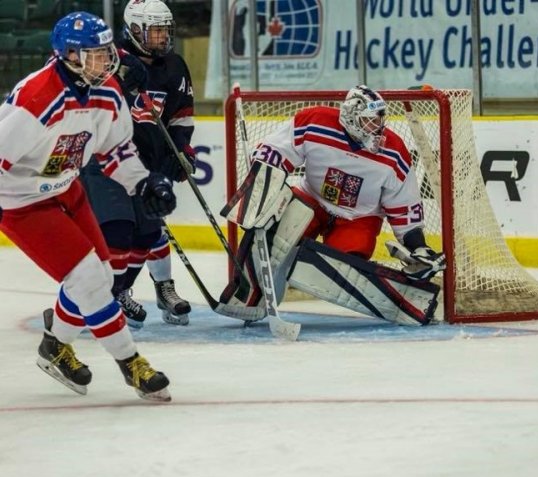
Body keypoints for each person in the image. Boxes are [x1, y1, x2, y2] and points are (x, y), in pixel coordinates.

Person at [0, 11, 176, 402]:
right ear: (70, 56)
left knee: (104, 270)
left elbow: (116, 149)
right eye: (95, 53)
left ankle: (54, 346)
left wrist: (142, 181)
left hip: (66, 186)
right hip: (22, 202)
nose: (107, 59)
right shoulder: (36, 100)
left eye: (106, 51)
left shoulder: (107, 91)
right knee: (88, 280)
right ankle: (132, 364)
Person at [219, 85, 446, 326]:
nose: (378, 128)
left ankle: (407, 304)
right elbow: (273, 152)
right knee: (274, 235)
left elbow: (404, 207)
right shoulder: (314, 121)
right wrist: (262, 188)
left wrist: (419, 247)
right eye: (370, 121)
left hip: (359, 218)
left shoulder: (395, 151)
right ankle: (247, 297)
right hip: (312, 202)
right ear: (351, 117)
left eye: (380, 120)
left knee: (343, 270)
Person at [81, 0, 195, 328]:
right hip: (108, 162)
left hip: (152, 165)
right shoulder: (110, 61)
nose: (163, 37)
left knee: (147, 234)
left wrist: (182, 150)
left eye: (165, 30)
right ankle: (90, 301)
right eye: (156, 30)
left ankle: (120, 291)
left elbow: (182, 115)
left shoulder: (175, 66)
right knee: (118, 231)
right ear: (134, 30)